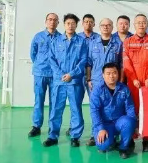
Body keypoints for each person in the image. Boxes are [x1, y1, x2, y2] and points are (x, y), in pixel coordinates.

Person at [43, 13, 88, 147]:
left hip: (74, 82)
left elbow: (83, 60)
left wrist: (71, 74)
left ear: (76, 25)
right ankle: (52, 136)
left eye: (73, 23)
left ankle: (75, 136)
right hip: (59, 82)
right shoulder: (56, 41)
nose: (70, 26)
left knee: (76, 109)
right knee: (56, 109)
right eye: (68, 23)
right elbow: (51, 60)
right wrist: (61, 74)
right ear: (64, 24)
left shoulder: (81, 41)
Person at [122, 14, 148, 152]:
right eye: (138, 22)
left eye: (144, 22)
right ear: (134, 25)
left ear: (147, 24)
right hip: (133, 83)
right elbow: (126, 63)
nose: (141, 24)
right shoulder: (128, 42)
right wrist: (133, 78)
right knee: (132, 110)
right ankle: (132, 138)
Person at [85, 18, 122, 146]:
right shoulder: (92, 43)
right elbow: (89, 63)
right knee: (95, 107)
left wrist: (120, 80)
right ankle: (94, 133)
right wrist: (89, 79)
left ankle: (115, 134)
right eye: (103, 25)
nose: (106, 27)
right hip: (96, 80)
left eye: (108, 25)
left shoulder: (118, 43)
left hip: (113, 81)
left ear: (112, 27)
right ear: (99, 27)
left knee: (114, 107)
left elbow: (121, 64)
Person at [90, 62, 137, 159]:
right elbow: (94, 111)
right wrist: (100, 128)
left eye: (114, 73)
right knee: (103, 146)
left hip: (119, 121)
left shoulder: (124, 89)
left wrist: (133, 125)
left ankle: (123, 147)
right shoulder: (97, 90)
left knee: (129, 122)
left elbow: (130, 108)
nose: (111, 76)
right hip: (105, 124)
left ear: (118, 74)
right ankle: (112, 140)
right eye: (108, 73)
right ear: (103, 75)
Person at [28, 13, 61, 138]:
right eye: (50, 19)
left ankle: (52, 127)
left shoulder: (61, 38)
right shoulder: (38, 37)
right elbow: (33, 53)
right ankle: (36, 126)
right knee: (39, 100)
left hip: (55, 75)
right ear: (46, 21)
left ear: (58, 23)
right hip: (40, 73)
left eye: (55, 20)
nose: (52, 22)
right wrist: (40, 64)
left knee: (55, 102)